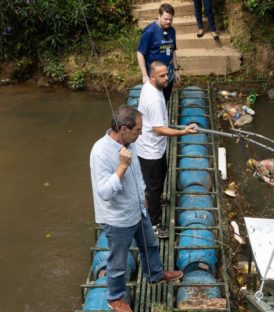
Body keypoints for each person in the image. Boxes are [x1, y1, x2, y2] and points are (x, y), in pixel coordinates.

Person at [90, 106, 183, 312]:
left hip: (137, 210)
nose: (141, 134)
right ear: (124, 128)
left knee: (150, 244)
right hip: (118, 219)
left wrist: (143, 197)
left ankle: (155, 274)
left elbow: (138, 174)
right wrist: (121, 166)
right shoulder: (100, 152)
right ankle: (115, 298)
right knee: (118, 261)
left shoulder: (128, 144)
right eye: (138, 130)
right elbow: (104, 192)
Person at [136, 61, 197, 238]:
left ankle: (156, 198)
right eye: (162, 76)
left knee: (161, 174)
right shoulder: (154, 99)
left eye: (167, 74)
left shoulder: (150, 86)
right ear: (152, 76)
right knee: (153, 186)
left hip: (156, 146)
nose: (166, 78)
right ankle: (154, 224)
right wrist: (183, 132)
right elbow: (159, 129)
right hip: (150, 149)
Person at [137, 3, 180, 104]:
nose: (168, 22)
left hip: (168, 75)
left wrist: (176, 70)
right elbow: (140, 53)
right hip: (154, 77)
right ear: (159, 16)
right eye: (166, 19)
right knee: (154, 102)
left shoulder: (172, 31)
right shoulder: (149, 31)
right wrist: (144, 75)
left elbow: (172, 50)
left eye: (171, 19)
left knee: (165, 100)